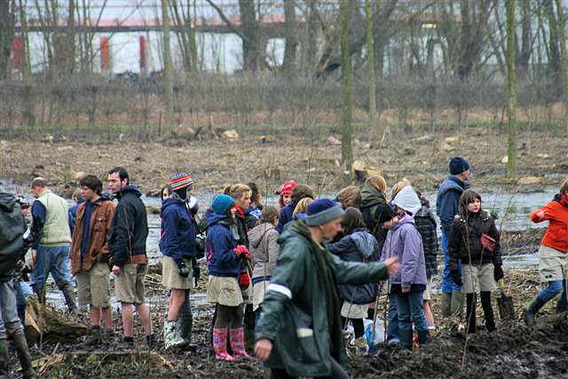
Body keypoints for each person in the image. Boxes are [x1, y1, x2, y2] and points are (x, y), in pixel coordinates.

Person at [254, 199, 400, 378]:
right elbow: (277, 292)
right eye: (337, 223)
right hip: (291, 335)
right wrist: (264, 334)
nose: (340, 229)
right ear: (321, 224)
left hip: (303, 336)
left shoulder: (316, 247)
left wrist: (380, 269)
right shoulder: (297, 250)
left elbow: (342, 269)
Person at [107, 167, 155, 348]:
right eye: (109, 181)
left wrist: (117, 262)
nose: (110, 185)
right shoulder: (137, 201)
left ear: (124, 181)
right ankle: (150, 338)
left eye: (114, 181)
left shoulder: (125, 204)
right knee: (139, 300)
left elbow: (124, 234)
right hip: (141, 256)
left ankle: (128, 339)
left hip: (128, 260)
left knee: (126, 301)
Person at [327, 207, 380, 354]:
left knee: (343, 320)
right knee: (356, 320)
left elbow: (330, 250)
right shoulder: (372, 240)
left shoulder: (349, 240)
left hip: (352, 289)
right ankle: (359, 349)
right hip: (367, 288)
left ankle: (345, 349)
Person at [70, 175, 115, 340]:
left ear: (95, 189)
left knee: (102, 296)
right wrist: (73, 257)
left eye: (85, 189)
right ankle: (94, 328)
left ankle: (109, 329)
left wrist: (103, 253)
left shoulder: (108, 206)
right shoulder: (81, 208)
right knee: (88, 297)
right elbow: (76, 235)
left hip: (98, 260)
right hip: (81, 259)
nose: (82, 191)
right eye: (81, 188)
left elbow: (113, 234)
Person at [383, 186, 429, 350]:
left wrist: (406, 282)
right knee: (402, 316)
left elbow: (411, 259)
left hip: (412, 282)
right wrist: (382, 272)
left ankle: (425, 346)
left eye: (398, 207)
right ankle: (405, 348)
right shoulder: (393, 231)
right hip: (396, 281)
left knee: (417, 315)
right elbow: (386, 253)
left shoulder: (408, 230)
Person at [206, 194, 251, 361]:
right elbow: (220, 258)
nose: (234, 210)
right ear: (224, 210)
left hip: (229, 276)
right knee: (224, 314)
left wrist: (239, 253)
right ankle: (220, 352)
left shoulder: (225, 228)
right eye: (231, 207)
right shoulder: (219, 231)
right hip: (222, 277)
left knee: (238, 312)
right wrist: (236, 252)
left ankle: (238, 350)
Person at [449, 190, 501, 334]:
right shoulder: (459, 223)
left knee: (486, 297)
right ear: (465, 204)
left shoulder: (487, 220)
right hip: (468, 263)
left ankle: (492, 329)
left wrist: (498, 265)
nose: (475, 204)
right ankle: (471, 331)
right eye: (472, 202)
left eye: (478, 201)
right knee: (471, 298)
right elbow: (452, 248)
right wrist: (454, 269)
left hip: (486, 262)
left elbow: (496, 244)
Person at [0, 192, 36, 379]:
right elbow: (25, 238)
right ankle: (28, 369)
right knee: (13, 321)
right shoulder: (14, 208)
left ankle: (3, 373)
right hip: (8, 271)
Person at [159, 173, 197, 349]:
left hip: (183, 257)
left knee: (176, 297)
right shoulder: (173, 210)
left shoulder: (182, 207)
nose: (191, 193)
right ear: (182, 190)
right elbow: (172, 238)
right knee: (179, 298)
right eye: (189, 189)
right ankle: (170, 336)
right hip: (176, 258)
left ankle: (172, 335)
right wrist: (181, 263)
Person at [523, 179, 568, 326]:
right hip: (551, 251)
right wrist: (538, 215)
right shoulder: (555, 206)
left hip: (566, 252)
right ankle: (530, 310)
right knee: (556, 287)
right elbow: (534, 217)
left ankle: (561, 316)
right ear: (566, 192)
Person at [29, 177, 76, 313]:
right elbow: (71, 222)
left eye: (33, 190)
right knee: (63, 277)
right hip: (64, 244)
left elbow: (38, 225)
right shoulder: (62, 201)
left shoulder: (40, 202)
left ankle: (41, 309)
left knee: (38, 278)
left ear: (37, 188)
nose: (33, 193)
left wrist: (34, 248)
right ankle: (73, 308)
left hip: (47, 244)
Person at [436, 157, 471, 317]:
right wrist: (458, 237)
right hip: (452, 238)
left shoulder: (455, 187)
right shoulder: (452, 190)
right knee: (456, 271)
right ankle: (455, 316)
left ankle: (449, 315)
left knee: (450, 271)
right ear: (463, 171)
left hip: (451, 236)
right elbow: (446, 217)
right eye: (467, 169)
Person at [248, 206, 279, 318]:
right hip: (268, 277)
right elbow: (273, 260)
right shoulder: (273, 234)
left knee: (259, 313)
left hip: (256, 275)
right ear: (275, 218)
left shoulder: (253, 233)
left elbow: (251, 258)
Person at [414, 191, 439, 333]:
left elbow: (423, 248)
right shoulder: (427, 215)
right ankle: (430, 331)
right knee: (426, 301)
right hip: (428, 267)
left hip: (421, 268)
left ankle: (428, 333)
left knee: (423, 302)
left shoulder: (420, 218)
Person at [360, 176, 389, 250]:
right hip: (377, 245)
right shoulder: (381, 206)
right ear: (381, 187)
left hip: (361, 243)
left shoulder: (358, 200)